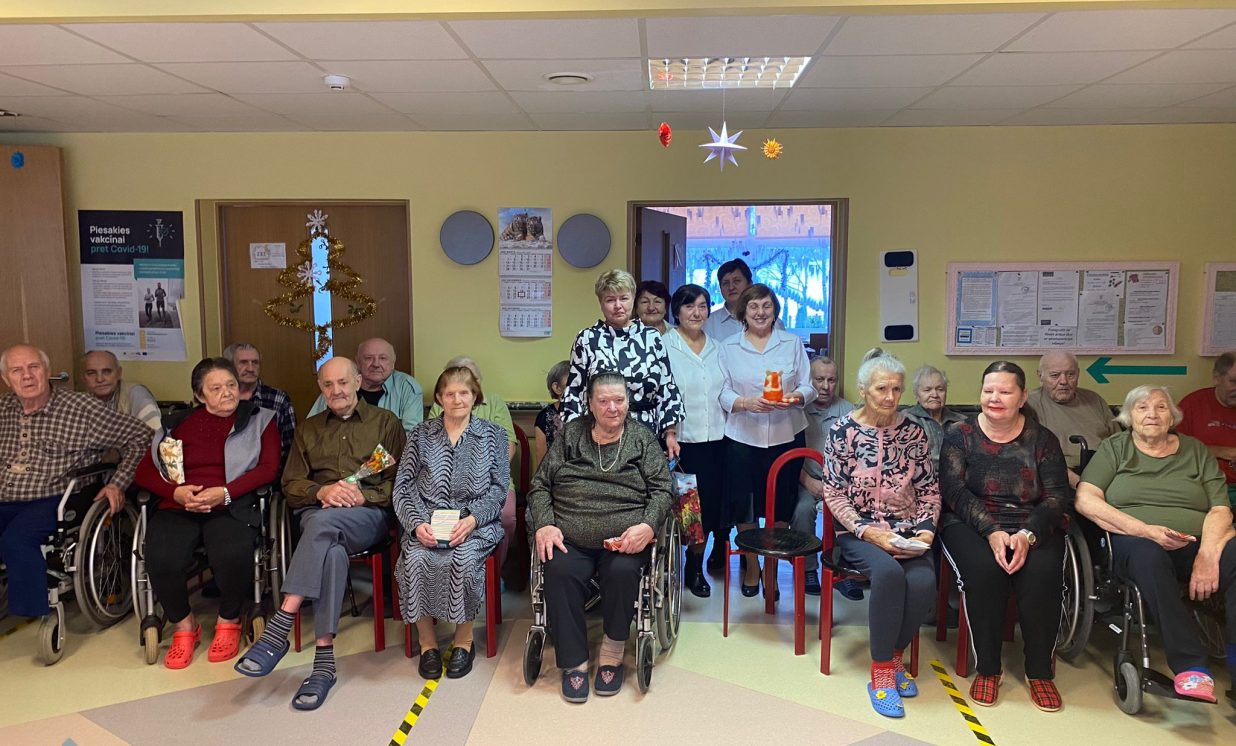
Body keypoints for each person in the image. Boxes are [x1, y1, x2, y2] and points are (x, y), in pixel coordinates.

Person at [234, 357, 405, 709]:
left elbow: (402, 480)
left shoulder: (386, 422)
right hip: (319, 511)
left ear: (358, 382)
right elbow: (291, 484)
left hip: (366, 514)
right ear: (321, 389)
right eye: (328, 384)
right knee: (331, 548)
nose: (336, 390)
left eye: (342, 382)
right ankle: (324, 662)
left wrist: (364, 495)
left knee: (320, 527)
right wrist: (322, 491)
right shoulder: (308, 429)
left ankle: (282, 622)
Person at [1076, 384, 1236, 704]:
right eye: (1142, 407)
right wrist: (1146, 531)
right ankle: (1191, 666)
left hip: (1197, 542)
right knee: (1150, 558)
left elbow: (1220, 509)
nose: (1152, 414)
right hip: (1135, 540)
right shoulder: (1115, 448)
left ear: (1172, 416)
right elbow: (1085, 499)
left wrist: (1207, 555)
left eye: (1161, 407)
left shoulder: (1196, 451)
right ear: (1128, 416)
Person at [529, 372, 672, 703]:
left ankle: (612, 650)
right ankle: (574, 660)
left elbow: (664, 489)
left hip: (625, 539)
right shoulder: (571, 435)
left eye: (619, 400)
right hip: (570, 536)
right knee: (559, 570)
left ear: (628, 403)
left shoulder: (641, 438)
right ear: (590, 404)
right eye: (603, 401)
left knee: (622, 572)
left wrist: (648, 525)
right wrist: (545, 524)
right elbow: (540, 485)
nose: (612, 408)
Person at [132, 357, 281, 669]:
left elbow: (269, 468)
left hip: (232, 503)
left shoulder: (260, 419)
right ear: (200, 396)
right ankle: (185, 625)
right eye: (216, 388)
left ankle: (229, 620)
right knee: (162, 557)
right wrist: (175, 492)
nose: (227, 392)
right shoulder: (174, 425)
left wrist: (224, 492)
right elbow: (144, 472)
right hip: (181, 504)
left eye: (231, 385)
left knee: (232, 552)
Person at [939, 361, 1071, 711]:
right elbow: (953, 491)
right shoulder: (959, 434)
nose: (994, 398)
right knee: (985, 571)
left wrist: (1027, 535)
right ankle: (988, 668)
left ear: (1023, 397)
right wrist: (991, 530)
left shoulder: (1043, 440)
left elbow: (1057, 497)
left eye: (1005, 391)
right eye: (988, 390)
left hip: (1032, 523)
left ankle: (1039, 672)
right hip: (970, 522)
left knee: (1042, 574)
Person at [821, 350, 940, 719]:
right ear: (863, 390)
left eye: (897, 389)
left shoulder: (913, 431)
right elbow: (834, 493)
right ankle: (882, 671)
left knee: (923, 582)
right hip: (858, 532)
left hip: (907, 529)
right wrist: (868, 532)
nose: (891, 397)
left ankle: (895, 655)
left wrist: (925, 532)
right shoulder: (842, 431)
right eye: (882, 389)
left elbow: (929, 490)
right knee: (888, 575)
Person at [0, 344, 149, 621]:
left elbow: (141, 435)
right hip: (5, 497)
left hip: (56, 498)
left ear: (47, 371)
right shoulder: (3, 409)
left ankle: (32, 612)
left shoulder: (81, 409)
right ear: (7, 379)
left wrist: (117, 483)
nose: (27, 376)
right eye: (17, 371)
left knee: (17, 539)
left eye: (33, 367)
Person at [395, 366, 508, 680]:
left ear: (475, 397)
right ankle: (427, 643)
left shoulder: (493, 435)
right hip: (427, 519)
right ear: (439, 398)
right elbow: (403, 485)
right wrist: (417, 524)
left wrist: (472, 520)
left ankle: (463, 641)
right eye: (450, 394)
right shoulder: (421, 434)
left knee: (463, 559)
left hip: (475, 522)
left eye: (464, 393)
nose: (457, 399)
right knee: (415, 559)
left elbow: (499, 488)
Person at [718, 283, 814, 598]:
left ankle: (771, 567)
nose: (760, 312)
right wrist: (744, 402)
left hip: (786, 434)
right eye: (754, 306)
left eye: (767, 306)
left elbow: (808, 386)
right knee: (744, 505)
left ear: (775, 311)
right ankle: (751, 566)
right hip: (742, 436)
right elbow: (722, 391)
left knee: (781, 505)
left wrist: (795, 397)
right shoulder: (728, 347)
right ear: (743, 312)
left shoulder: (791, 342)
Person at [561, 269, 684, 458]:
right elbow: (575, 391)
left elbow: (666, 387)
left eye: (624, 298)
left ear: (633, 299)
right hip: (598, 433)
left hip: (646, 431)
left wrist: (670, 433)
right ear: (601, 303)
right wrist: (574, 437)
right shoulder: (587, 339)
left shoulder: (651, 337)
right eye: (610, 300)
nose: (618, 306)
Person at [662, 284, 726, 597]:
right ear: (677, 311)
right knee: (686, 508)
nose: (696, 312)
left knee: (710, 507)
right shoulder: (664, 346)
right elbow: (660, 395)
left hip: (718, 440)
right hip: (681, 442)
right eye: (689, 306)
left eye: (702, 306)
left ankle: (695, 564)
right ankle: (678, 564)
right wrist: (669, 431)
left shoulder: (719, 348)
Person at [427, 356, 517, 563]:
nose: (458, 397)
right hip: (445, 483)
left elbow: (508, 445)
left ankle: (496, 567)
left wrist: (480, 476)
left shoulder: (494, 402)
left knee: (506, 516)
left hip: (492, 479)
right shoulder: (440, 407)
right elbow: (433, 449)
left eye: (471, 379)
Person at [794, 355, 856, 596]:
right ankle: (808, 569)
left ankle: (841, 570)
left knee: (846, 513)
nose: (825, 386)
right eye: (819, 379)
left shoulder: (849, 412)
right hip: (805, 478)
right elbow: (789, 455)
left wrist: (836, 486)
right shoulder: (797, 411)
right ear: (809, 380)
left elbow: (856, 458)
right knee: (802, 510)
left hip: (840, 482)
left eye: (831, 380)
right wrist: (806, 480)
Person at [1025, 351, 1118, 487]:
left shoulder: (1094, 399)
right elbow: (1031, 457)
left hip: (1107, 473)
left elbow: (1119, 443)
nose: (1063, 381)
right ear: (1040, 376)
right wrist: (1081, 485)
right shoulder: (1030, 405)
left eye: (1070, 374)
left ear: (1078, 374)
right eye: (1055, 375)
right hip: (1061, 478)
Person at [309, 338, 424, 433]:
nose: (376, 364)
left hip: (387, 452)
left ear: (393, 362)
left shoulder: (407, 387)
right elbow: (312, 428)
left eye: (383, 358)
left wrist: (374, 455)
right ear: (357, 362)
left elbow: (411, 435)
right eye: (368, 358)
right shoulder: (337, 388)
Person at [223, 342, 296, 462]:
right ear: (230, 367)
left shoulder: (278, 398)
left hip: (271, 468)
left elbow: (290, 447)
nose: (250, 368)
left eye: (255, 362)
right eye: (243, 362)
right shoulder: (221, 399)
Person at [1178, 352, 1236, 499]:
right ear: (1217, 378)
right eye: (1234, 382)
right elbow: (1173, 448)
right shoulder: (1193, 404)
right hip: (1201, 486)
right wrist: (1222, 452)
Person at [81, 349, 162, 431]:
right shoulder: (80, 403)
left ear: (119, 373)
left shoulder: (136, 393)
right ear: (83, 377)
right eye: (91, 373)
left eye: (107, 372)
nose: (99, 379)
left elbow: (155, 433)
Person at [902, 364, 967, 467]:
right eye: (927, 390)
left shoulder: (962, 421)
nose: (935, 395)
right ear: (916, 394)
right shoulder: (905, 420)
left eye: (940, 389)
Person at [534, 360, 570, 461]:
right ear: (557, 388)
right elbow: (542, 461)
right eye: (573, 383)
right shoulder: (544, 417)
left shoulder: (591, 413)